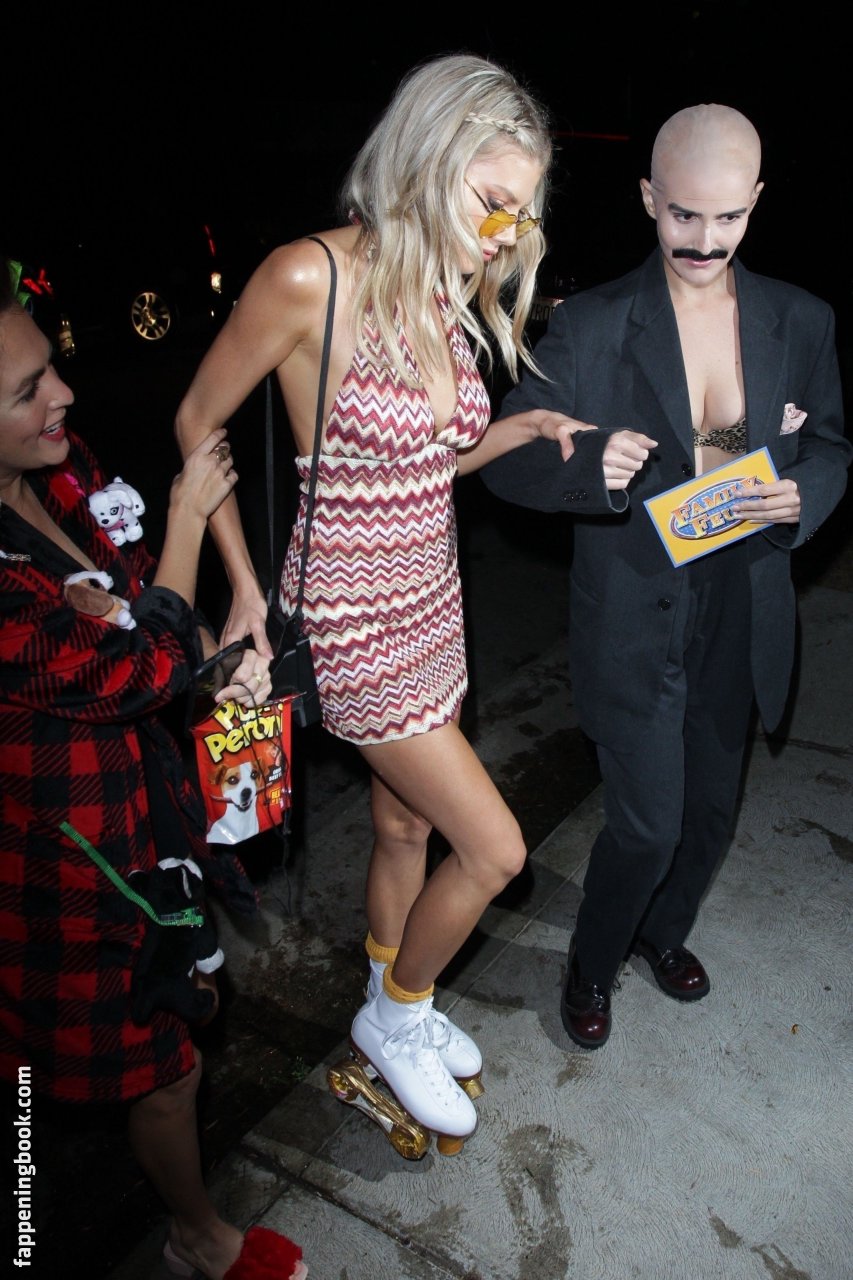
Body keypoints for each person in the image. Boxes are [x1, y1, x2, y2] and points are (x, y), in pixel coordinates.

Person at [174, 53, 586, 1149]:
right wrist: (244, 588)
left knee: (406, 822)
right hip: (352, 621)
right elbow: (196, 422)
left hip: (433, 603)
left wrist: (516, 428)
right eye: (490, 200)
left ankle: (395, 988)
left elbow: (423, 461)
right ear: (427, 157)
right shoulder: (307, 276)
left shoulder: (445, 286)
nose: (502, 234)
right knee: (494, 850)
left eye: (519, 215)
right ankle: (395, 1014)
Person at [481, 103, 852, 1049]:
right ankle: (593, 959)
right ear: (648, 198)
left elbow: (831, 446)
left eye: (728, 217)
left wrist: (801, 494)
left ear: (755, 201)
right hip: (635, 612)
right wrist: (585, 468)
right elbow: (504, 452)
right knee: (646, 826)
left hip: (742, 602)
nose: (704, 240)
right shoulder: (592, 325)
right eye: (683, 213)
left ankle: (660, 932)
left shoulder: (799, 319)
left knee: (710, 817)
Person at [0, 260, 308, 1280]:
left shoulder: (62, 467)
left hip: (148, 813)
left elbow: (139, 606)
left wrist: (216, 660)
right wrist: (187, 527)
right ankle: (192, 1236)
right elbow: (134, 665)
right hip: (67, 865)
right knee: (151, 1070)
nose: (64, 394)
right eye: (28, 389)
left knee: (182, 1019)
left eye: (50, 366)